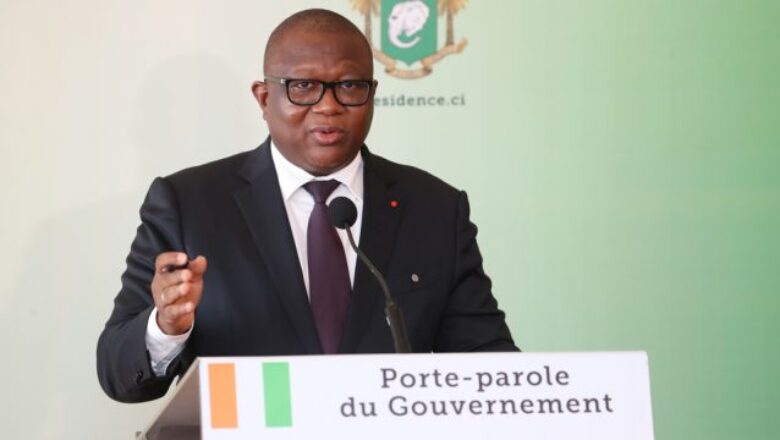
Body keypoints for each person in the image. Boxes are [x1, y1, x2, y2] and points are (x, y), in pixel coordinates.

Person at [97, 8, 517, 404]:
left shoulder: (434, 208)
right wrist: (166, 327)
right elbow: (118, 373)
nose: (328, 105)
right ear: (264, 98)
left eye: (349, 86)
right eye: (303, 86)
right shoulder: (188, 204)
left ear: (372, 95)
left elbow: (487, 361)